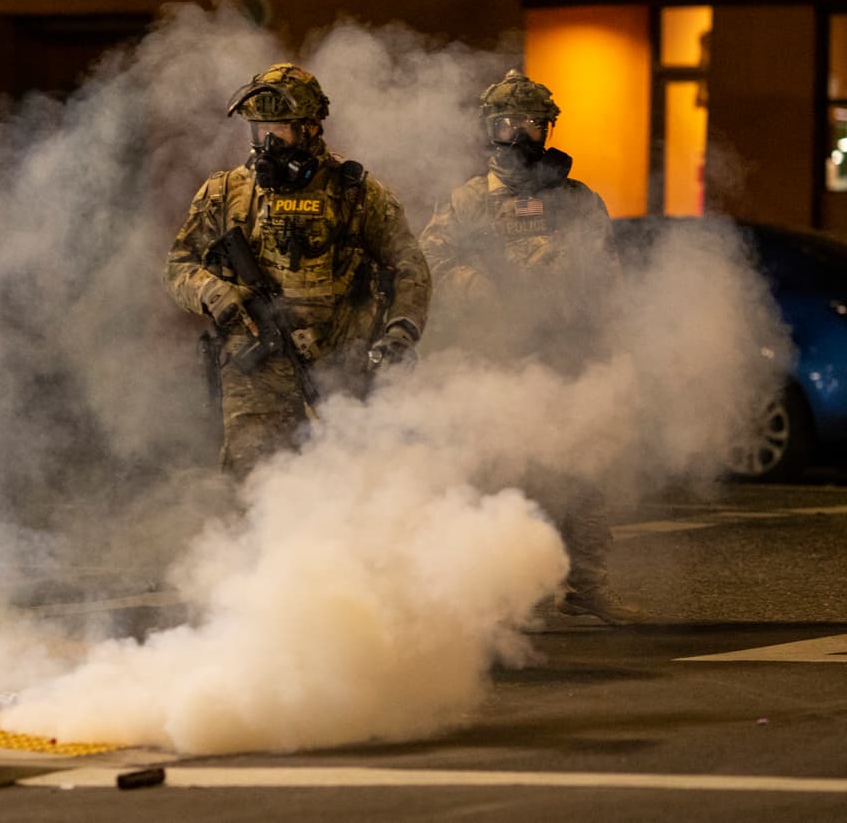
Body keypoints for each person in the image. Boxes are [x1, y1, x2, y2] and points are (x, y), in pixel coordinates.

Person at [419, 69, 643, 625]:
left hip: (567, 354)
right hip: (496, 361)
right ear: (488, 130)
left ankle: (586, 584)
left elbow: (606, 275)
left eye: (530, 124)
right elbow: (430, 264)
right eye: (506, 124)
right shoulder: (467, 201)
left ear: (546, 130)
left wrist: (568, 289)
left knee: (583, 474)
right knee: (501, 475)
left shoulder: (576, 200)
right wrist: (482, 288)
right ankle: (504, 597)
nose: (519, 135)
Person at [165, 63, 431, 477]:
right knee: (254, 488)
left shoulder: (355, 192)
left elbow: (409, 265)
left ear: (309, 128)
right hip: (256, 380)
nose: (267, 142)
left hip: (340, 368)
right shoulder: (226, 192)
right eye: (258, 130)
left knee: (351, 485)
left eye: (279, 130)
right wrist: (212, 292)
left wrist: (399, 334)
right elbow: (179, 266)